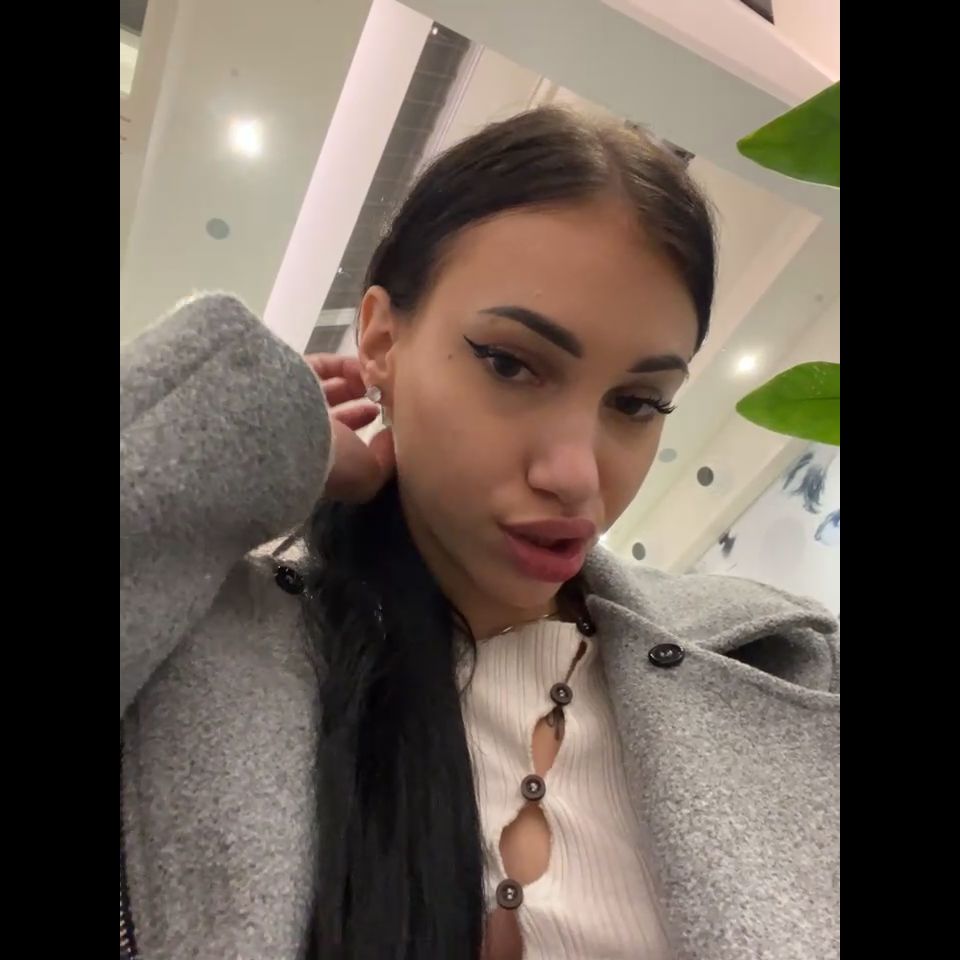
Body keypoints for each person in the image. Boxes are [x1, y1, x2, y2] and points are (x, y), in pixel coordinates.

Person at [120, 106, 839, 960]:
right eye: (511, 363)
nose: (576, 474)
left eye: (638, 402)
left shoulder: (788, 662)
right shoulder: (201, 640)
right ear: (381, 337)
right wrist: (241, 431)